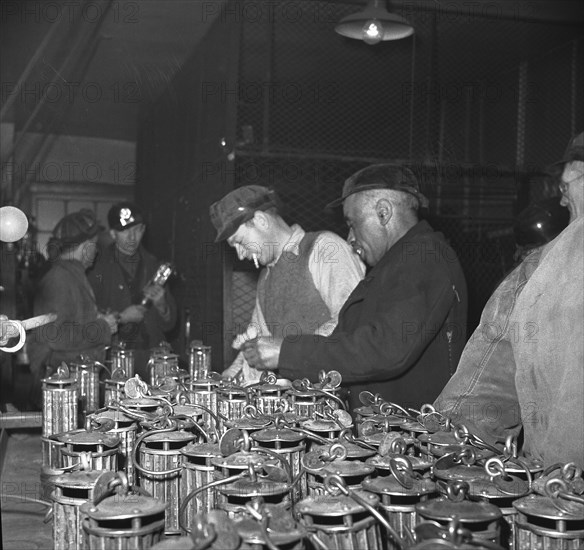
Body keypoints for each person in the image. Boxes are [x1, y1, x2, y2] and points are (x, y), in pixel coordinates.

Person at [240, 165, 468, 411]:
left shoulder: (425, 256)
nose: (349, 238)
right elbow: (351, 343)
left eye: (353, 223)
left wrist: (287, 353)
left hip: (410, 433)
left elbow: (384, 347)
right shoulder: (395, 264)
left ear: (383, 213)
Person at [434, 132, 584, 468]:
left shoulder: (541, 269)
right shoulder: (540, 265)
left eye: (564, 188)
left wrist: (443, 443)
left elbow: (479, 392)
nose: (562, 201)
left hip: (561, 499)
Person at [209, 185, 366, 384]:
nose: (240, 255)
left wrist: (285, 351)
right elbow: (257, 341)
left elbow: (352, 323)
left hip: (334, 395)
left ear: (261, 221)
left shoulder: (325, 248)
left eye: (240, 242)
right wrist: (228, 378)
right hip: (293, 402)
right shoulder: (266, 276)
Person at [27, 209, 118, 409]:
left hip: (72, 386)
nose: (96, 250)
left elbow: (70, 320)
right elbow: (55, 335)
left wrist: (97, 318)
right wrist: (102, 327)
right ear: (85, 246)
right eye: (94, 244)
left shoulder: (72, 274)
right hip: (59, 392)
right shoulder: (59, 278)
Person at [87, 202, 177, 381]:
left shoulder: (155, 266)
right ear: (113, 234)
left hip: (151, 359)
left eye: (137, 230)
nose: (132, 237)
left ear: (144, 229)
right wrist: (120, 317)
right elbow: (87, 320)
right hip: (114, 361)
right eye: (125, 231)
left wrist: (162, 305)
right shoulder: (96, 269)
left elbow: (171, 324)